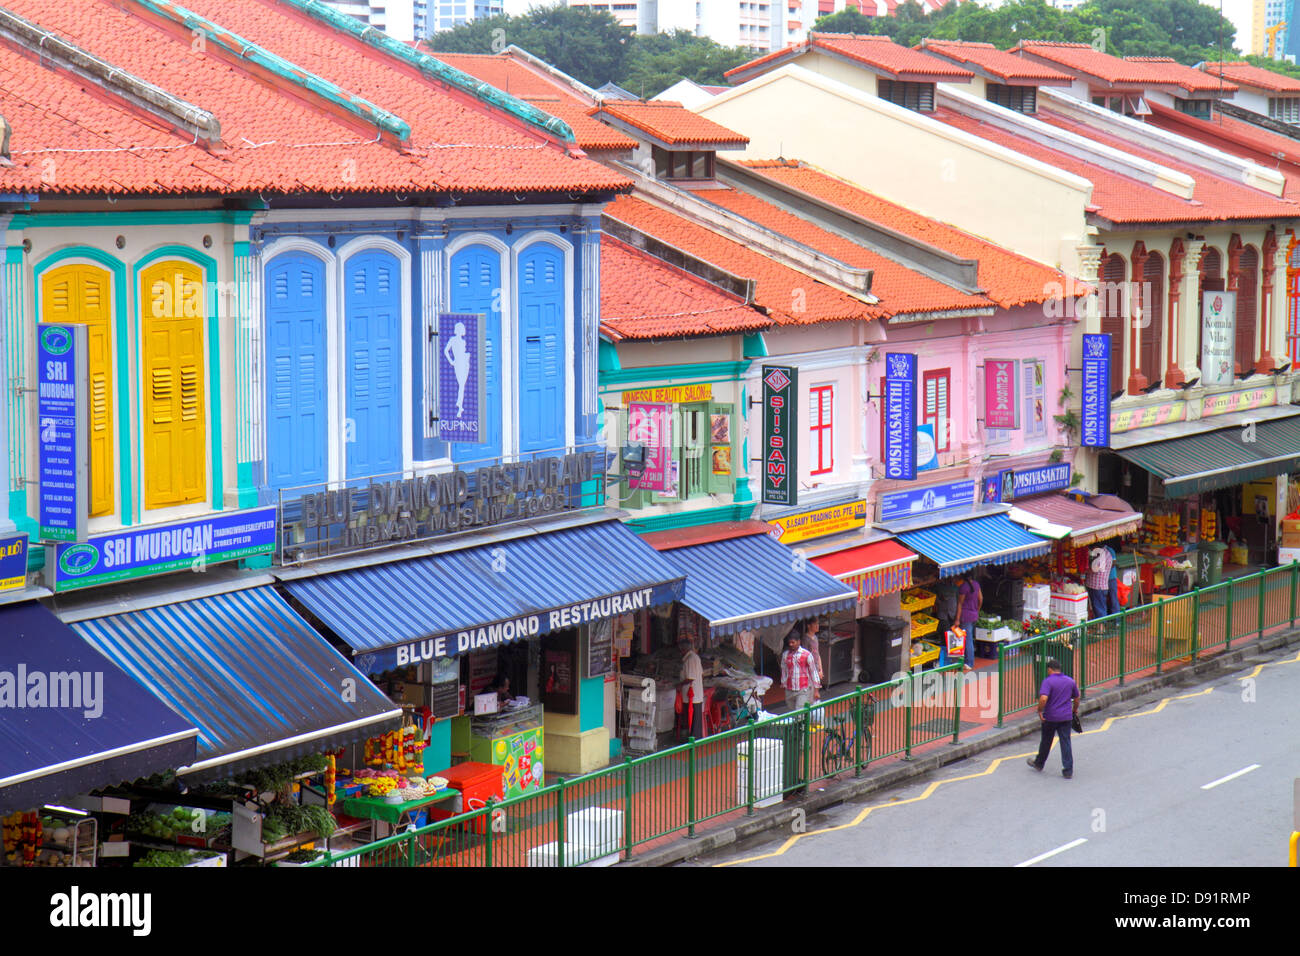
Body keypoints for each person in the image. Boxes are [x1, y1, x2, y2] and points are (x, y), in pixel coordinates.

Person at [1027, 659, 1080, 778]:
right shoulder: (1070, 681)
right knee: (1065, 741)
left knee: (1046, 741)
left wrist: (1040, 710)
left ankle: (1039, 763)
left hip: (1050, 717)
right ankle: (1068, 770)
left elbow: (1043, 698)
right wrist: (1074, 710)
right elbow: (1076, 699)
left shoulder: (1048, 681)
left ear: (1050, 669)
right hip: (1066, 717)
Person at [780, 631, 821, 712]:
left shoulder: (806, 655)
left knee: (799, 713)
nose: (791, 644)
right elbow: (784, 670)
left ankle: (801, 723)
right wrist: (784, 683)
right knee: (792, 711)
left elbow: (813, 672)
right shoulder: (785, 655)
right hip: (789, 689)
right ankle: (802, 722)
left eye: (793, 642)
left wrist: (816, 690)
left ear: (799, 642)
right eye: (790, 643)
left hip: (803, 689)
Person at [677, 638, 705, 739]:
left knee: (692, 717)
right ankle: (695, 737)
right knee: (695, 718)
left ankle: (694, 738)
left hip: (691, 694)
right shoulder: (695, 657)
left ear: (683, 650)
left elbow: (690, 678)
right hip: (695, 694)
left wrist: (680, 684)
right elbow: (701, 674)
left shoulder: (690, 659)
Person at [957, 573, 982, 671]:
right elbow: (981, 599)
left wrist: (957, 619)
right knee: (970, 638)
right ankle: (968, 660)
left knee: (968, 640)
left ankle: (969, 663)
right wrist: (977, 610)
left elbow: (960, 604)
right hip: (974, 615)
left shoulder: (963, 587)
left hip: (966, 616)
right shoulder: (976, 584)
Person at [1085, 544, 1114, 619]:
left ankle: (1101, 628)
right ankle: (1100, 626)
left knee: (1099, 609)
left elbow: (1095, 569)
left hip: (1098, 587)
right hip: (1098, 586)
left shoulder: (1102, 555)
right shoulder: (1106, 553)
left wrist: (1085, 570)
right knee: (1097, 608)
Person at [801, 619, 824, 701]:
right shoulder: (805, 639)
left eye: (818, 624)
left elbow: (817, 654)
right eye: (815, 624)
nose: (817, 626)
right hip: (810, 669)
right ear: (809, 626)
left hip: (816, 667)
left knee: (816, 691)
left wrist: (820, 669)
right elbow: (805, 656)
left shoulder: (815, 638)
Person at [1106, 543, 1121, 615]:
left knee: (1113, 598)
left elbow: (1114, 563)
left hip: (1111, 577)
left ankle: (1117, 619)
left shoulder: (1110, 550)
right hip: (1103, 579)